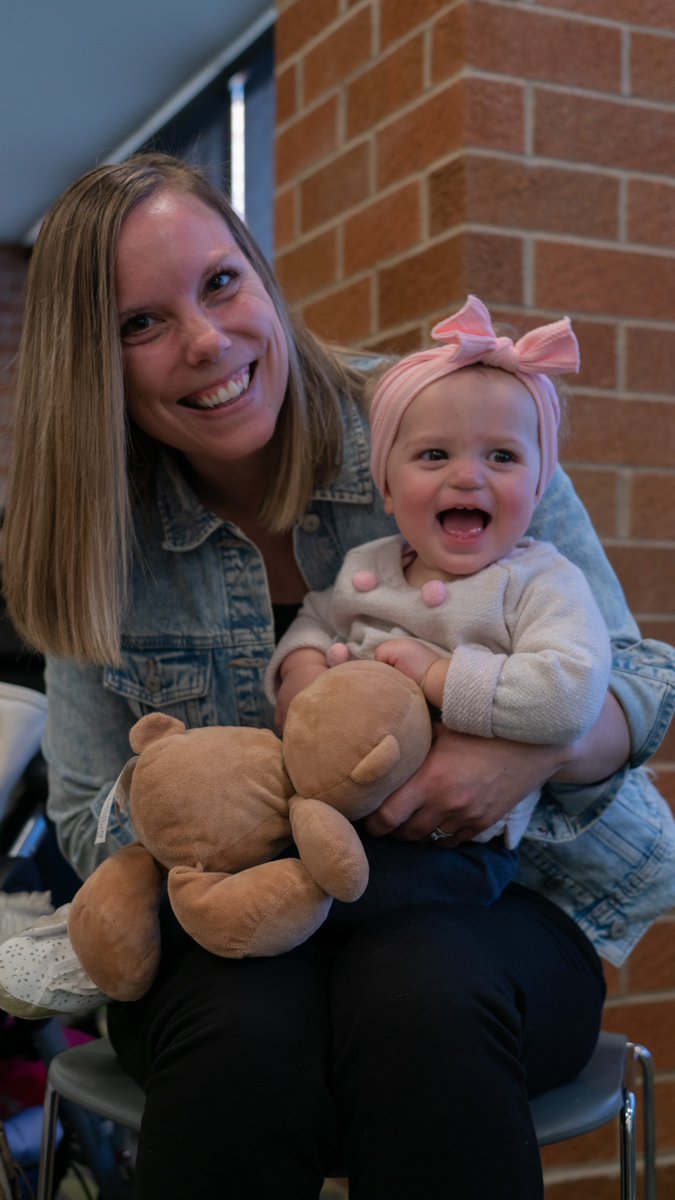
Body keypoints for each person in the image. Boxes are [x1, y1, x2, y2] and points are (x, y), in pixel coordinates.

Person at [0, 153, 674, 1200]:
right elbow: (89, 821)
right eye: (141, 323)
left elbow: (637, 676)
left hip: (491, 904)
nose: (207, 343)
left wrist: (519, 753)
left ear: (260, 273)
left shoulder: (451, 422)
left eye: (221, 283)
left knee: (420, 999)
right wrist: (232, 805)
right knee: (245, 1037)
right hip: (228, 927)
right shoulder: (95, 537)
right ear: (94, 363)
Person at [266, 295, 612, 854]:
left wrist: (440, 677)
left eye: (502, 457)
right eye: (433, 455)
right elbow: (315, 615)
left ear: (539, 486)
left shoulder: (541, 582)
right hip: (336, 807)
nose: (468, 477)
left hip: (452, 838)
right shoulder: (368, 565)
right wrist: (302, 666)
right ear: (387, 487)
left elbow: (571, 695)